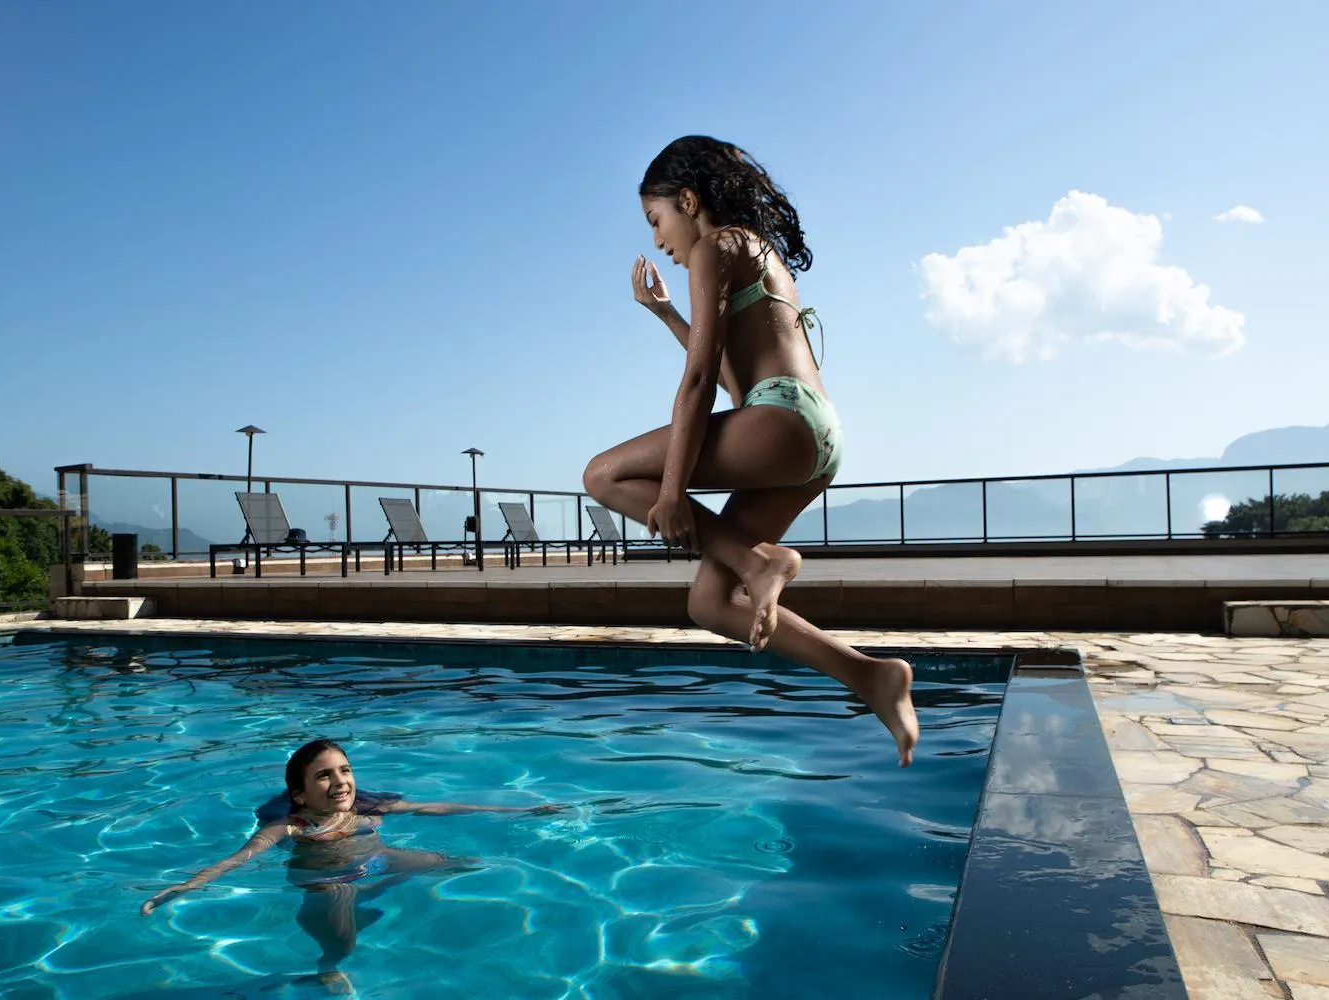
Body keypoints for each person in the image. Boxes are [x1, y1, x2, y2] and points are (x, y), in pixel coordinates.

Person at [583, 135, 920, 767]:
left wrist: (673, 490)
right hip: (808, 432)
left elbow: (700, 382)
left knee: (602, 475)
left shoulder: (718, 243)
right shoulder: (755, 251)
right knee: (709, 603)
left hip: (781, 419)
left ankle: (759, 562)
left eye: (657, 221)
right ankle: (871, 677)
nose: (658, 241)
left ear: (688, 200)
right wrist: (664, 314)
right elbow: (739, 381)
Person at [141, 739, 559, 978]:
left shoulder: (367, 810)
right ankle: (328, 965)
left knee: (454, 862)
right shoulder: (292, 826)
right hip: (329, 880)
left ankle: (373, 894)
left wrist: (514, 812)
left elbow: (434, 806)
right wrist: (181, 888)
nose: (340, 781)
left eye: (344, 770)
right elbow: (238, 859)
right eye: (324, 775)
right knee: (343, 940)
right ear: (300, 794)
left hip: (379, 860)